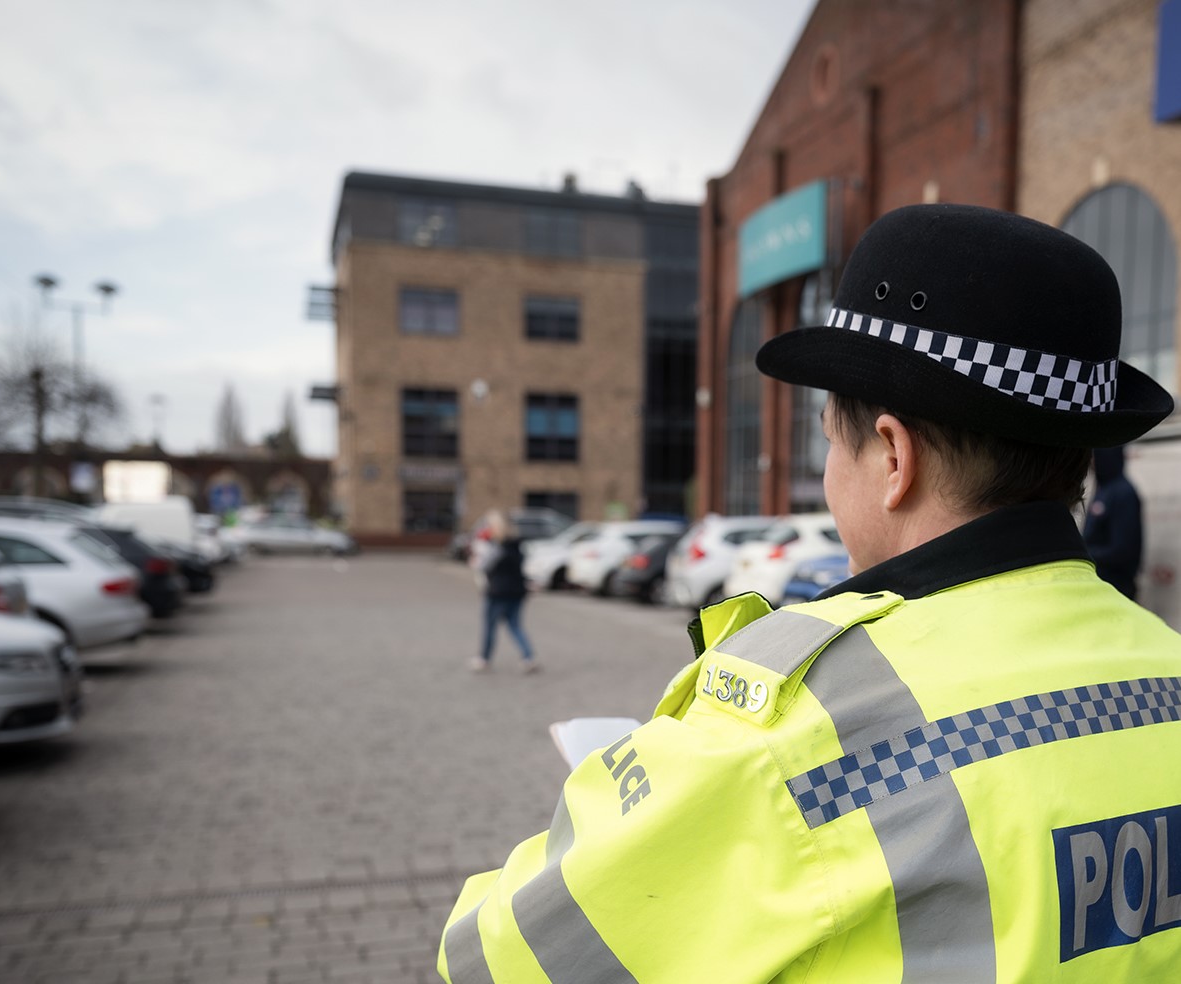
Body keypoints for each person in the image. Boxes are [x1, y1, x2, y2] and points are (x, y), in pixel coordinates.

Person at [437, 204, 1181, 981]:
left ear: (894, 458)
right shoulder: (1168, 670)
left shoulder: (794, 733)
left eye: (830, 438)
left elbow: (495, 958)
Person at [470, 510, 538, 674]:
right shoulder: (518, 545)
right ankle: (528, 657)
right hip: (517, 591)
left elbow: (482, 566)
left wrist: (477, 555)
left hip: (498, 592)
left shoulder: (496, 548)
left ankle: (484, 658)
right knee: (515, 625)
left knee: (490, 626)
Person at [1083, 445, 1144, 599]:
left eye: (1094, 455)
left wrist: (1084, 555)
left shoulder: (1123, 493)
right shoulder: (1102, 490)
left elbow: (1123, 549)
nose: (1091, 461)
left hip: (1117, 588)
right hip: (1099, 585)